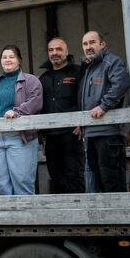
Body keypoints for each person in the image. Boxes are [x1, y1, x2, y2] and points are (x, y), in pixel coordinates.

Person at [0, 46, 43, 195]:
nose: (7, 60)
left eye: (12, 57)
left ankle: (24, 218)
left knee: (22, 183)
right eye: (4, 57)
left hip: (20, 137)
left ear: (19, 60)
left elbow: (36, 101)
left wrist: (16, 112)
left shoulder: (30, 80)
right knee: (1, 185)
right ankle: (7, 219)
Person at [75, 31, 130, 193]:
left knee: (111, 179)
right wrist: (82, 124)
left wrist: (104, 106)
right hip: (91, 133)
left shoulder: (111, 63)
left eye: (92, 42)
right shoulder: (87, 68)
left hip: (109, 133)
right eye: (85, 44)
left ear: (103, 44)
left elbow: (120, 84)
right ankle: (108, 218)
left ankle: (120, 217)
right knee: (98, 180)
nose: (88, 47)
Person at [38, 37, 85, 194]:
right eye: (51, 50)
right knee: (56, 178)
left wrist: (83, 124)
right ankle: (63, 217)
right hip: (50, 138)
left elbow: (85, 100)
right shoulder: (43, 79)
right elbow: (39, 106)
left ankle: (79, 215)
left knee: (74, 176)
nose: (55, 53)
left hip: (72, 135)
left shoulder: (78, 73)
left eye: (58, 49)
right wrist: (39, 130)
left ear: (66, 51)